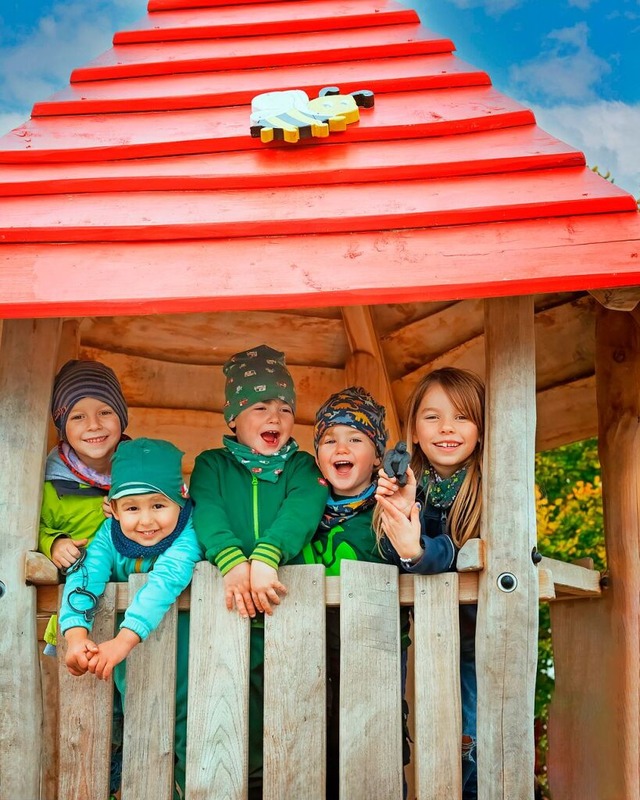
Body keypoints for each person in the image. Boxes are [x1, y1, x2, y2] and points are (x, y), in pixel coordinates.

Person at [189, 344, 328, 798]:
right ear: (233, 417)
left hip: (285, 609)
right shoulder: (212, 464)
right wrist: (231, 561)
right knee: (226, 708)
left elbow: (302, 510)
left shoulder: (303, 467)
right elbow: (207, 510)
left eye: (285, 408)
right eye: (260, 406)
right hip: (226, 609)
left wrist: (267, 556)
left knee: (289, 708)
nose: (275, 417)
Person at [59, 437, 202, 800]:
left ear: (180, 498)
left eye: (158, 504)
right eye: (133, 508)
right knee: (126, 740)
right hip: (124, 671)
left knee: (187, 741)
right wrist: (75, 633)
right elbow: (85, 574)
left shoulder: (188, 534)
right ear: (114, 509)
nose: (147, 520)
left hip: (187, 669)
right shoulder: (109, 534)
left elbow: (166, 579)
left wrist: (124, 639)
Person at [375, 366, 484, 800]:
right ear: (414, 432)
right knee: (428, 749)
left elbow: (466, 555)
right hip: (423, 647)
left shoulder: (493, 487)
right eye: (433, 417)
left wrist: (419, 550)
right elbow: (385, 550)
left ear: (481, 427)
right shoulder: (408, 486)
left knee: (473, 749)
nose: (447, 428)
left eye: (461, 417)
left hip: (481, 645)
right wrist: (399, 518)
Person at [306, 386, 405, 796]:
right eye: (330, 439)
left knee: (372, 754)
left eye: (355, 439)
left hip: (373, 651)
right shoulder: (305, 507)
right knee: (314, 751)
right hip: (309, 648)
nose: (340, 447)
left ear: (377, 456)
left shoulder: (389, 510)